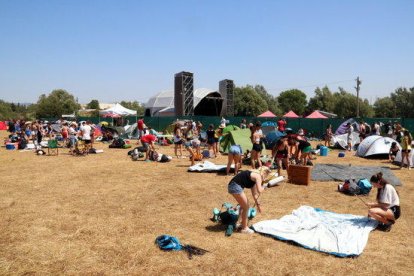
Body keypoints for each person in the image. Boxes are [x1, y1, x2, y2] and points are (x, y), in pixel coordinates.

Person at [227, 167, 271, 234]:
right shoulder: (258, 176)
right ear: (264, 173)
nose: (265, 178)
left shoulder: (253, 177)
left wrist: (259, 207)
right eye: (266, 176)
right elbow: (260, 190)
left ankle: (241, 224)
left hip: (232, 186)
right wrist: (265, 187)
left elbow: (255, 194)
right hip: (235, 186)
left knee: (243, 206)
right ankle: (244, 228)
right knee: (246, 207)